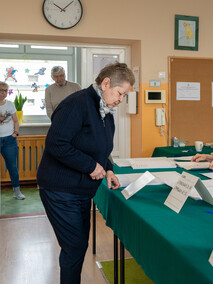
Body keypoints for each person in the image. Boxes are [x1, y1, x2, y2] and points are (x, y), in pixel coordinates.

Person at [37, 62, 135, 284]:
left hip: (80, 190)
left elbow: (100, 148)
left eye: (125, 95)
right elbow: (56, 143)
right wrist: (91, 166)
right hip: (60, 188)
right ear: (106, 83)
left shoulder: (105, 110)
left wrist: (108, 169)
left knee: (78, 244)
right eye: (120, 93)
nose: (121, 99)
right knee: (74, 246)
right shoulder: (77, 103)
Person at [0, 81, 25, 199]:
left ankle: (17, 191)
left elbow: (15, 120)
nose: (2, 93)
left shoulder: (10, 104)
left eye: (5, 90)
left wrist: (16, 133)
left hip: (9, 140)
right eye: (0, 90)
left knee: (12, 167)